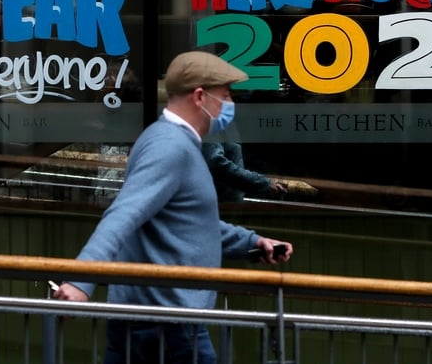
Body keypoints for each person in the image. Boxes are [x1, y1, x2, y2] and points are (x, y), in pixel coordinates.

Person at [53, 50, 293, 364]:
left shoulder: (168, 141)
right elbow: (124, 214)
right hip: (167, 319)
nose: (230, 104)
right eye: (225, 95)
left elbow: (186, 220)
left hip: (158, 314)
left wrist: (251, 243)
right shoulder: (170, 147)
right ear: (199, 97)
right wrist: (80, 281)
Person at [202, 141, 288, 202]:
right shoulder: (213, 121)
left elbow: (242, 158)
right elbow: (216, 163)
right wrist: (263, 183)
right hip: (216, 208)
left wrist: (271, 177)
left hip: (231, 207)